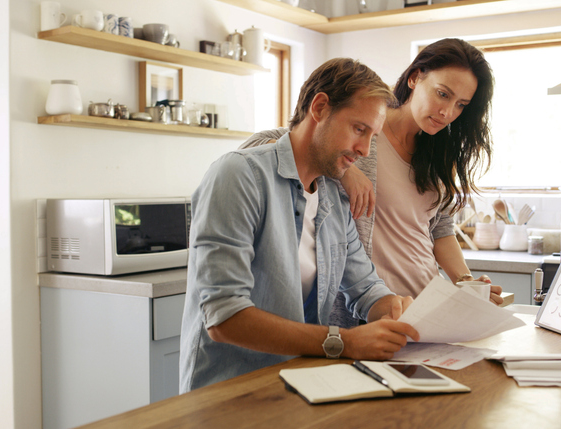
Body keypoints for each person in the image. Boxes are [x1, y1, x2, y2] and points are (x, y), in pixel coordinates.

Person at [179, 58, 420, 394]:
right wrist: (344, 341)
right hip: (229, 393)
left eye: (372, 136)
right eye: (359, 129)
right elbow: (224, 316)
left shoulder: (333, 198)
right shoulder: (238, 176)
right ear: (319, 107)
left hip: (298, 385)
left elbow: (365, 288)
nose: (364, 150)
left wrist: (393, 308)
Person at [242, 39, 503, 328]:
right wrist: (346, 170)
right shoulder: (362, 129)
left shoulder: (439, 154)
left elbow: (440, 229)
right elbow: (261, 146)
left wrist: (465, 282)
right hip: (367, 311)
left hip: (426, 307)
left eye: (460, 105)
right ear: (416, 77)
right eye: (442, 94)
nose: (448, 112)